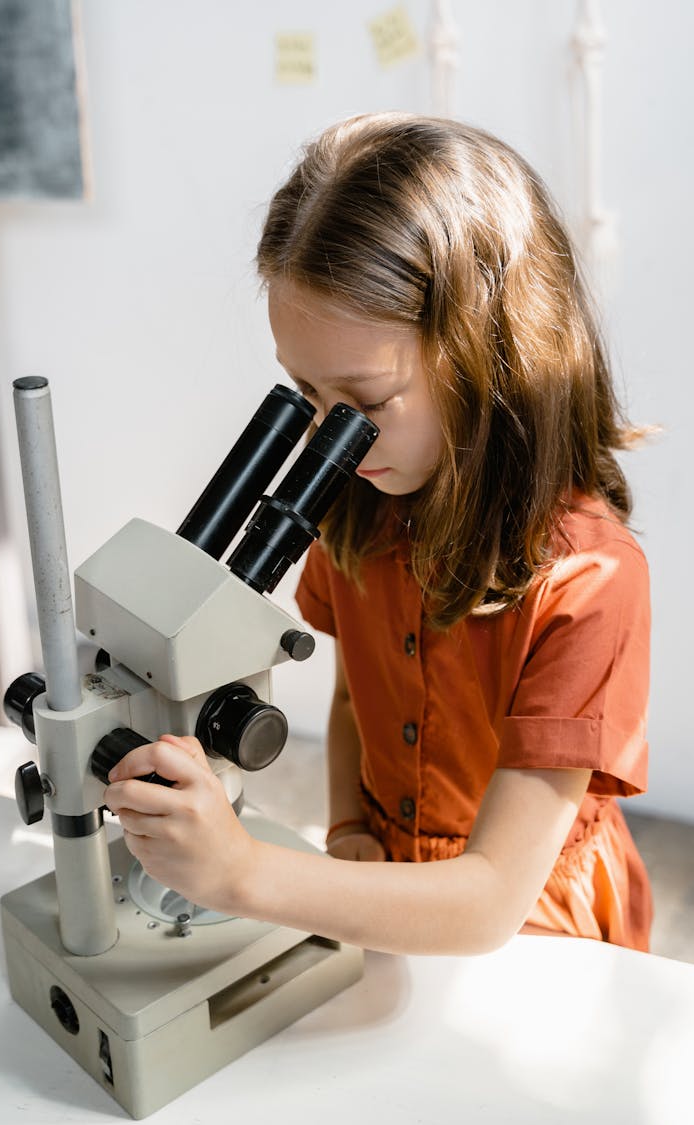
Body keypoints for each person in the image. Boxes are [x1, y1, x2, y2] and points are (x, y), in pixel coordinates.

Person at [104, 114, 652, 955]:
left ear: (489, 355)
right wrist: (350, 819)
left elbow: (489, 902)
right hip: (384, 880)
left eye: (363, 403)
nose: (331, 434)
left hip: (530, 925)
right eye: (304, 392)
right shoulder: (355, 508)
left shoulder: (591, 580)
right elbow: (359, 689)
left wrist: (241, 872)